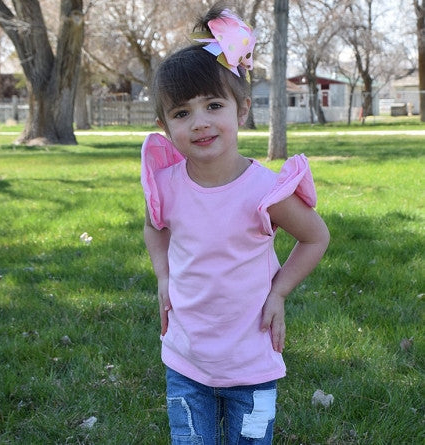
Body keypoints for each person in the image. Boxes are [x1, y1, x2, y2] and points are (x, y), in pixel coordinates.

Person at [141, 3, 330, 443]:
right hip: (186, 360)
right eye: (182, 113)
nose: (200, 122)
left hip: (252, 361)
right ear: (165, 126)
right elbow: (155, 226)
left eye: (213, 105)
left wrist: (280, 291)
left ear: (240, 110)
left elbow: (316, 237)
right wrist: (163, 275)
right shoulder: (166, 185)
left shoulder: (265, 191)